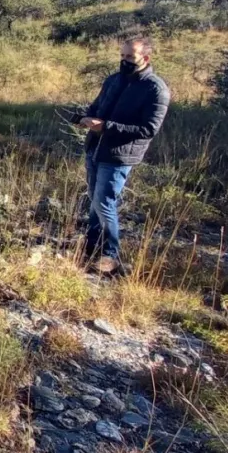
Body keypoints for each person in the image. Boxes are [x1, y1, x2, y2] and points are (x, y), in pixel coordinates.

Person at [73, 37, 170, 275]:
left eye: (130, 57)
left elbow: (148, 129)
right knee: (94, 200)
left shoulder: (156, 89)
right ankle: (91, 247)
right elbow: (97, 107)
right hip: (95, 148)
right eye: (122, 56)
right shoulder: (114, 80)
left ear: (145, 58)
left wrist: (106, 127)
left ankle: (110, 256)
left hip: (119, 155)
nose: (124, 61)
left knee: (104, 203)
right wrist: (84, 119)